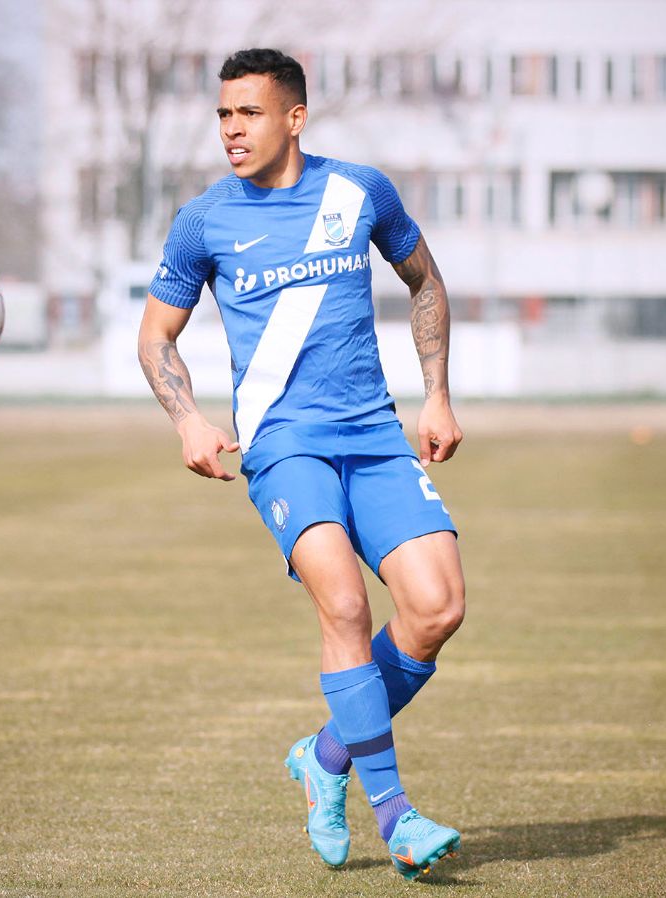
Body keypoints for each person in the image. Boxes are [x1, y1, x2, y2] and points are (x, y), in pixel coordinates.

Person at [137, 47, 466, 881]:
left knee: (437, 608)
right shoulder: (203, 221)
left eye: (248, 112)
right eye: (223, 113)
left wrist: (436, 395)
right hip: (284, 445)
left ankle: (324, 757)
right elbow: (156, 336)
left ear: (294, 117)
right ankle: (395, 816)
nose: (231, 129)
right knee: (345, 605)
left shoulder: (361, 191)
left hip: (375, 435)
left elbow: (426, 283)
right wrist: (188, 420)